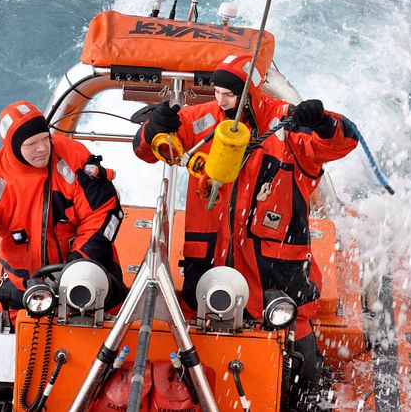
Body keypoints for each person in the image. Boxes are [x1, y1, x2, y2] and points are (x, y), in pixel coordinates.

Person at [132, 54, 359, 406]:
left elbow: (337, 143)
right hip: (209, 265)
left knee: (300, 358)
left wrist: (324, 123)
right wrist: (153, 127)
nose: (221, 101)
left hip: (275, 271)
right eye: (217, 92)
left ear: (249, 93)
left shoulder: (287, 125)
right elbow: (148, 149)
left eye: (229, 94)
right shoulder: (203, 120)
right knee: (196, 348)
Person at [0, 100, 127, 320]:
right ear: (13, 147)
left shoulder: (73, 157)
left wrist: (76, 266)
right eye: (31, 144)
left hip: (87, 274)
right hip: (23, 288)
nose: (42, 148)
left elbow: (105, 212)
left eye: (45, 139)